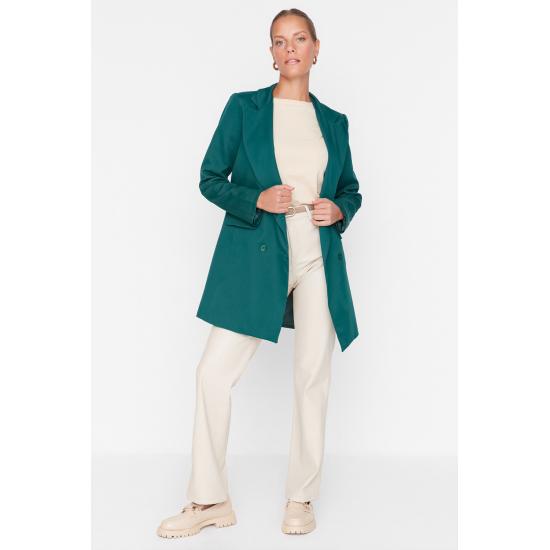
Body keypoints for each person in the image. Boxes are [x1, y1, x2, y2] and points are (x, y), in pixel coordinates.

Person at [157, 8, 362, 538]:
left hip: (317, 256)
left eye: (299, 39)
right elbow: (210, 178)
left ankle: (301, 497)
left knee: (312, 377)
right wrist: (256, 198)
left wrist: (339, 209)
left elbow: (350, 189)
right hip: (259, 254)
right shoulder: (244, 108)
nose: (289, 49)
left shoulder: (334, 122)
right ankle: (209, 500)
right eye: (279, 41)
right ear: (271, 53)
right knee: (213, 373)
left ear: (316, 48)